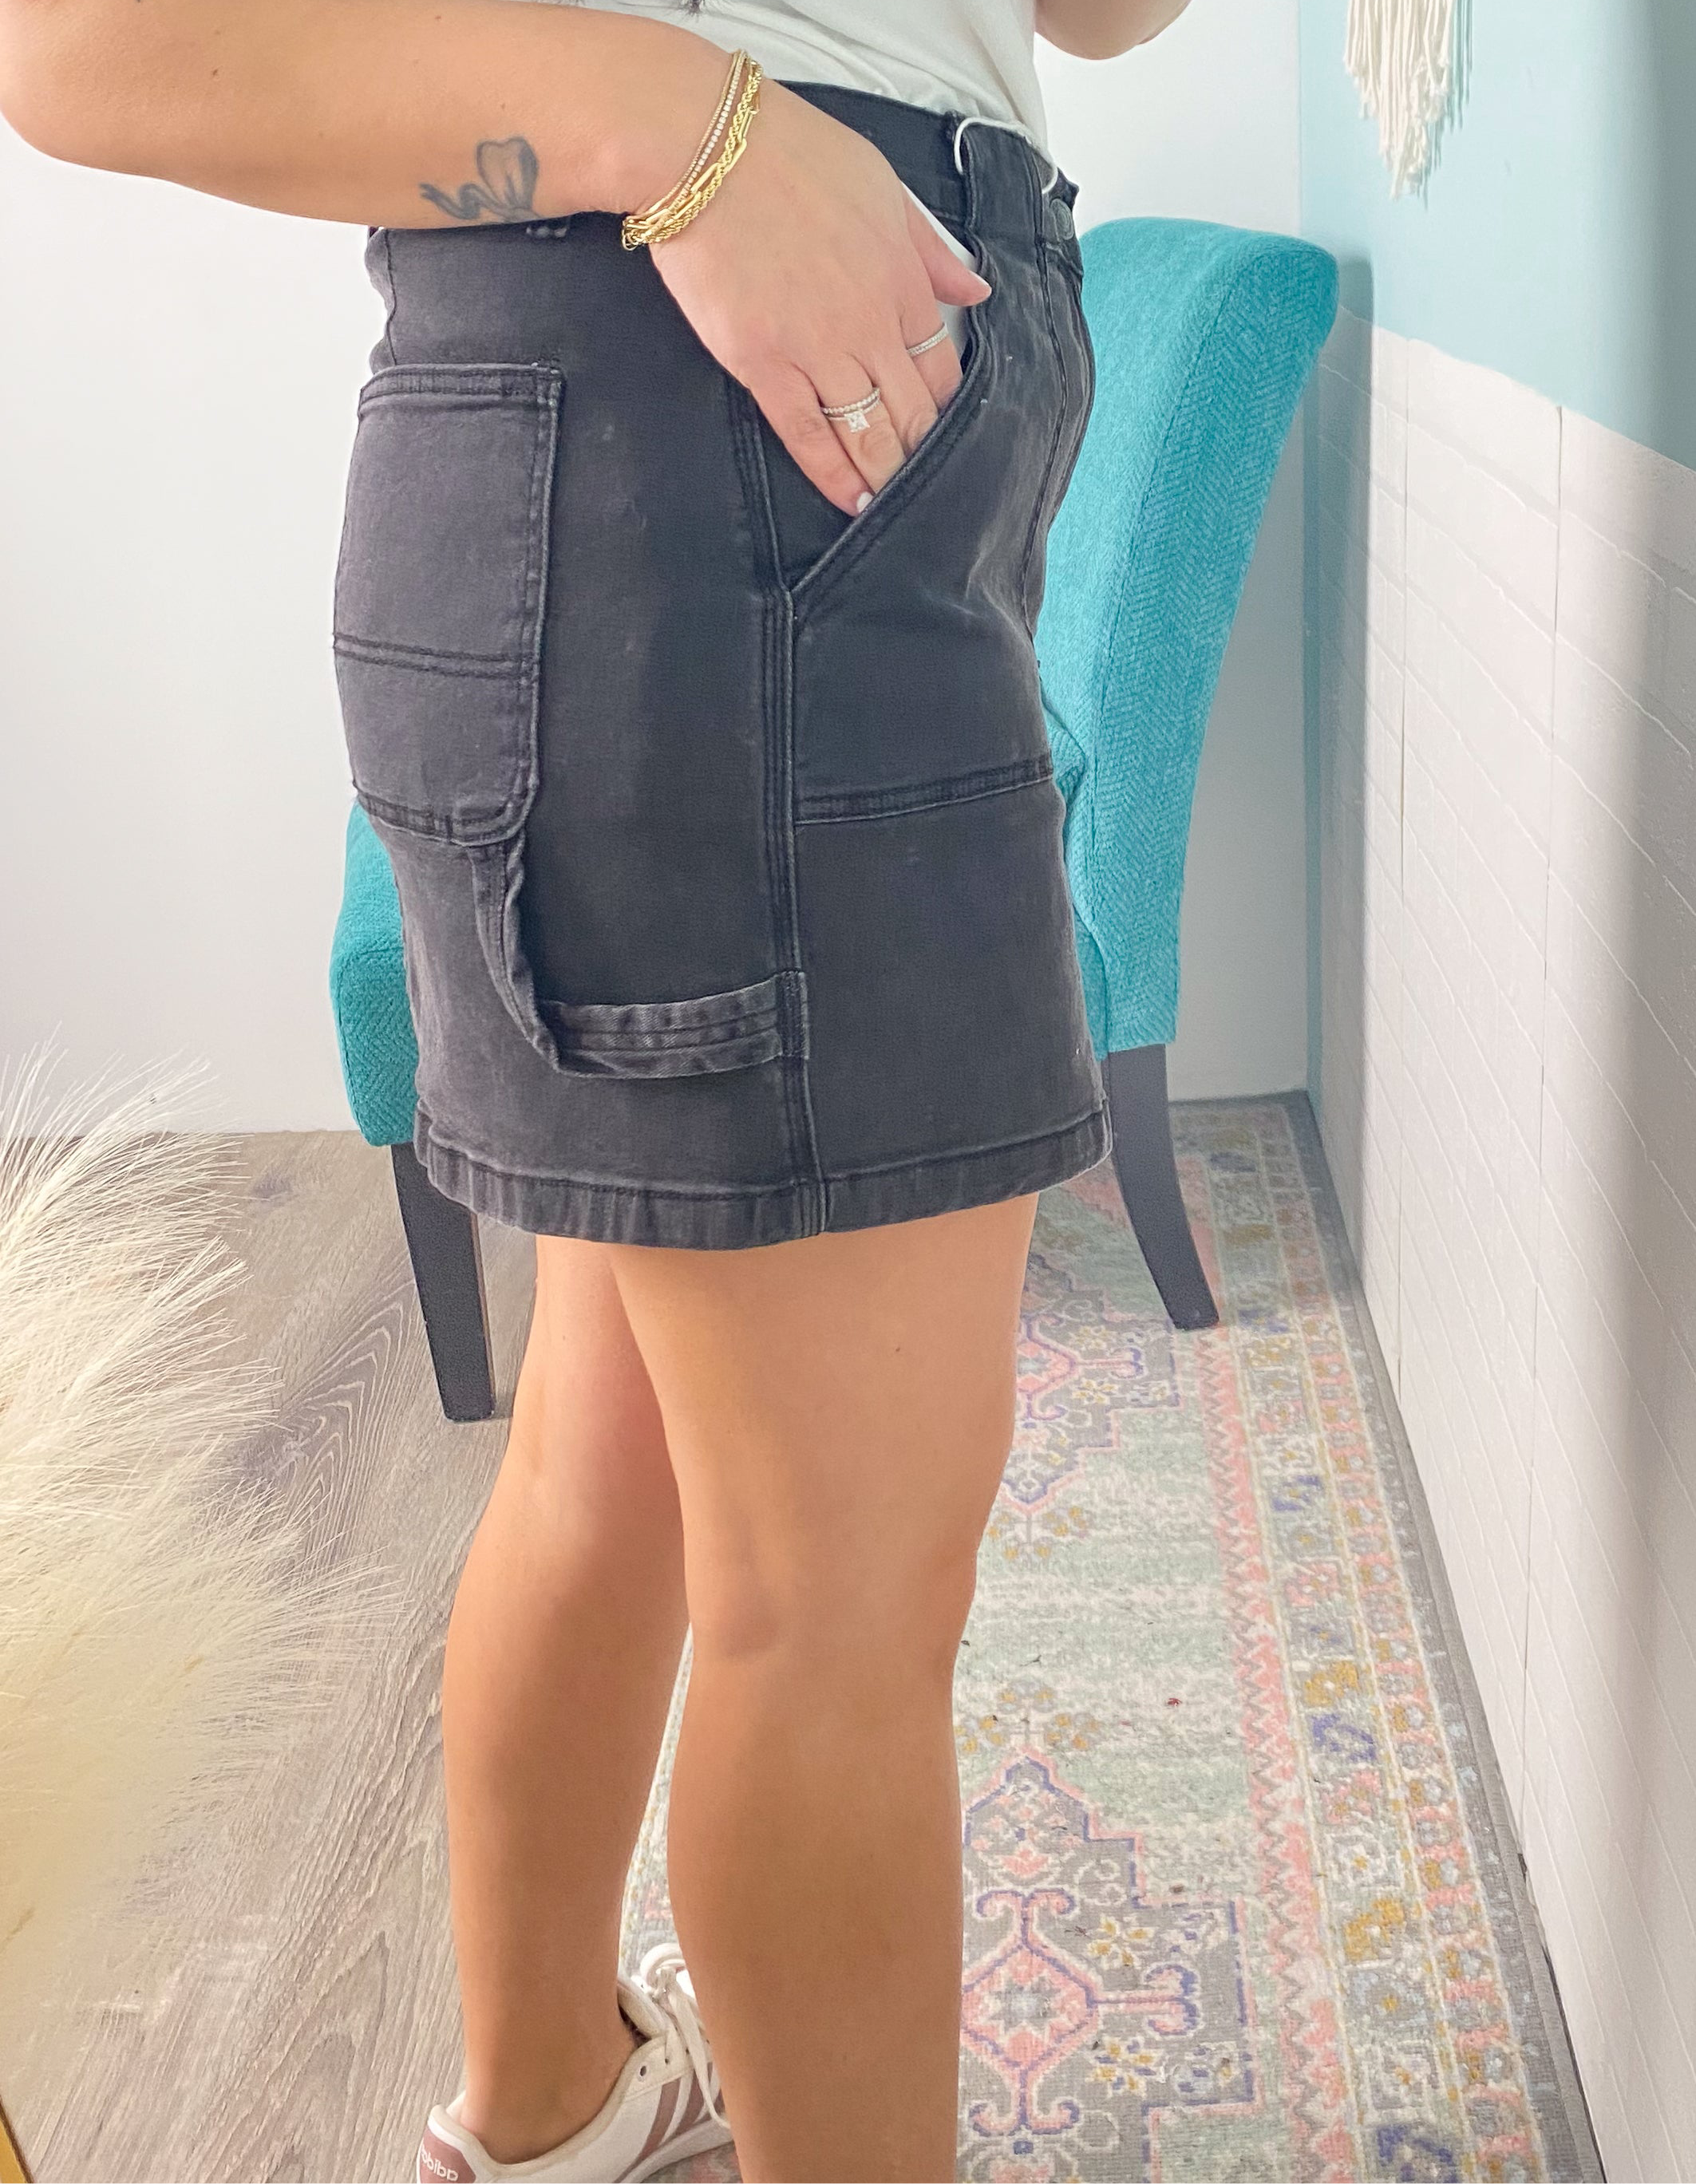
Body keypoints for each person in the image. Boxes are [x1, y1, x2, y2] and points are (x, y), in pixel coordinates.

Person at [0, 2, 1192, 2178]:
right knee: (831, 1605)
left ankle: (551, 2107)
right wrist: (696, 129)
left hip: (692, 460)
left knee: (620, 1449)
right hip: (716, 460)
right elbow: (87, 47)